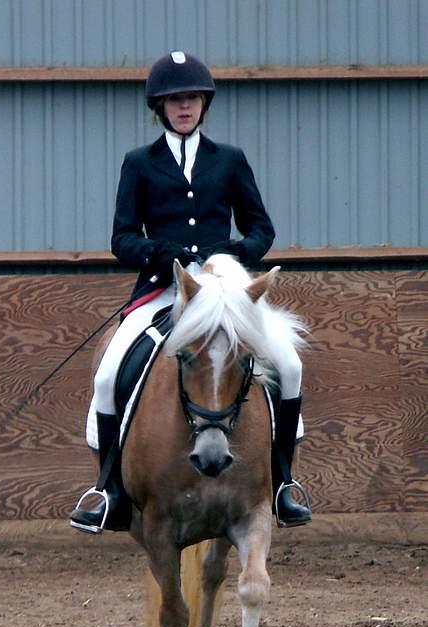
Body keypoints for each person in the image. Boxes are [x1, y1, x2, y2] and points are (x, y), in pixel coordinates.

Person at [70, 50, 311, 534]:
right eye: (176, 100)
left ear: (204, 104)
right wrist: (160, 253)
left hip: (224, 292)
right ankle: (109, 490)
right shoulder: (139, 163)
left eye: (193, 99)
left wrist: (234, 252)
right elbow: (121, 238)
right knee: (108, 373)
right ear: (160, 107)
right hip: (165, 291)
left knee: (289, 364)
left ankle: (283, 482)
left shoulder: (230, 161)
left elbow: (262, 229)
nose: (185, 107)